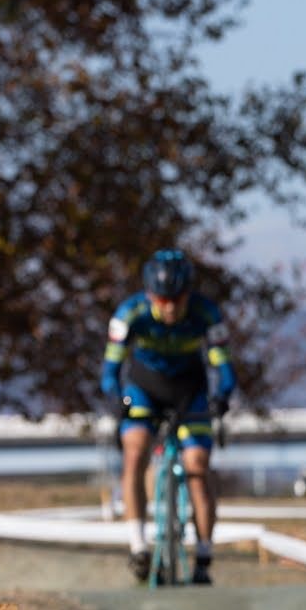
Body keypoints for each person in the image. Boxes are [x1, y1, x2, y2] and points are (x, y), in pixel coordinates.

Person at [101, 249, 236, 584]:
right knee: (135, 453)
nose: (171, 307)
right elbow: (110, 370)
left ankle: (204, 554)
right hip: (145, 386)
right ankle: (138, 547)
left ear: (188, 294)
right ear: (150, 295)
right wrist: (116, 399)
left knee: (197, 466)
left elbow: (224, 368)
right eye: (163, 300)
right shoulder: (130, 314)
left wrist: (222, 397)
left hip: (190, 390)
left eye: (177, 298)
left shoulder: (207, 314)